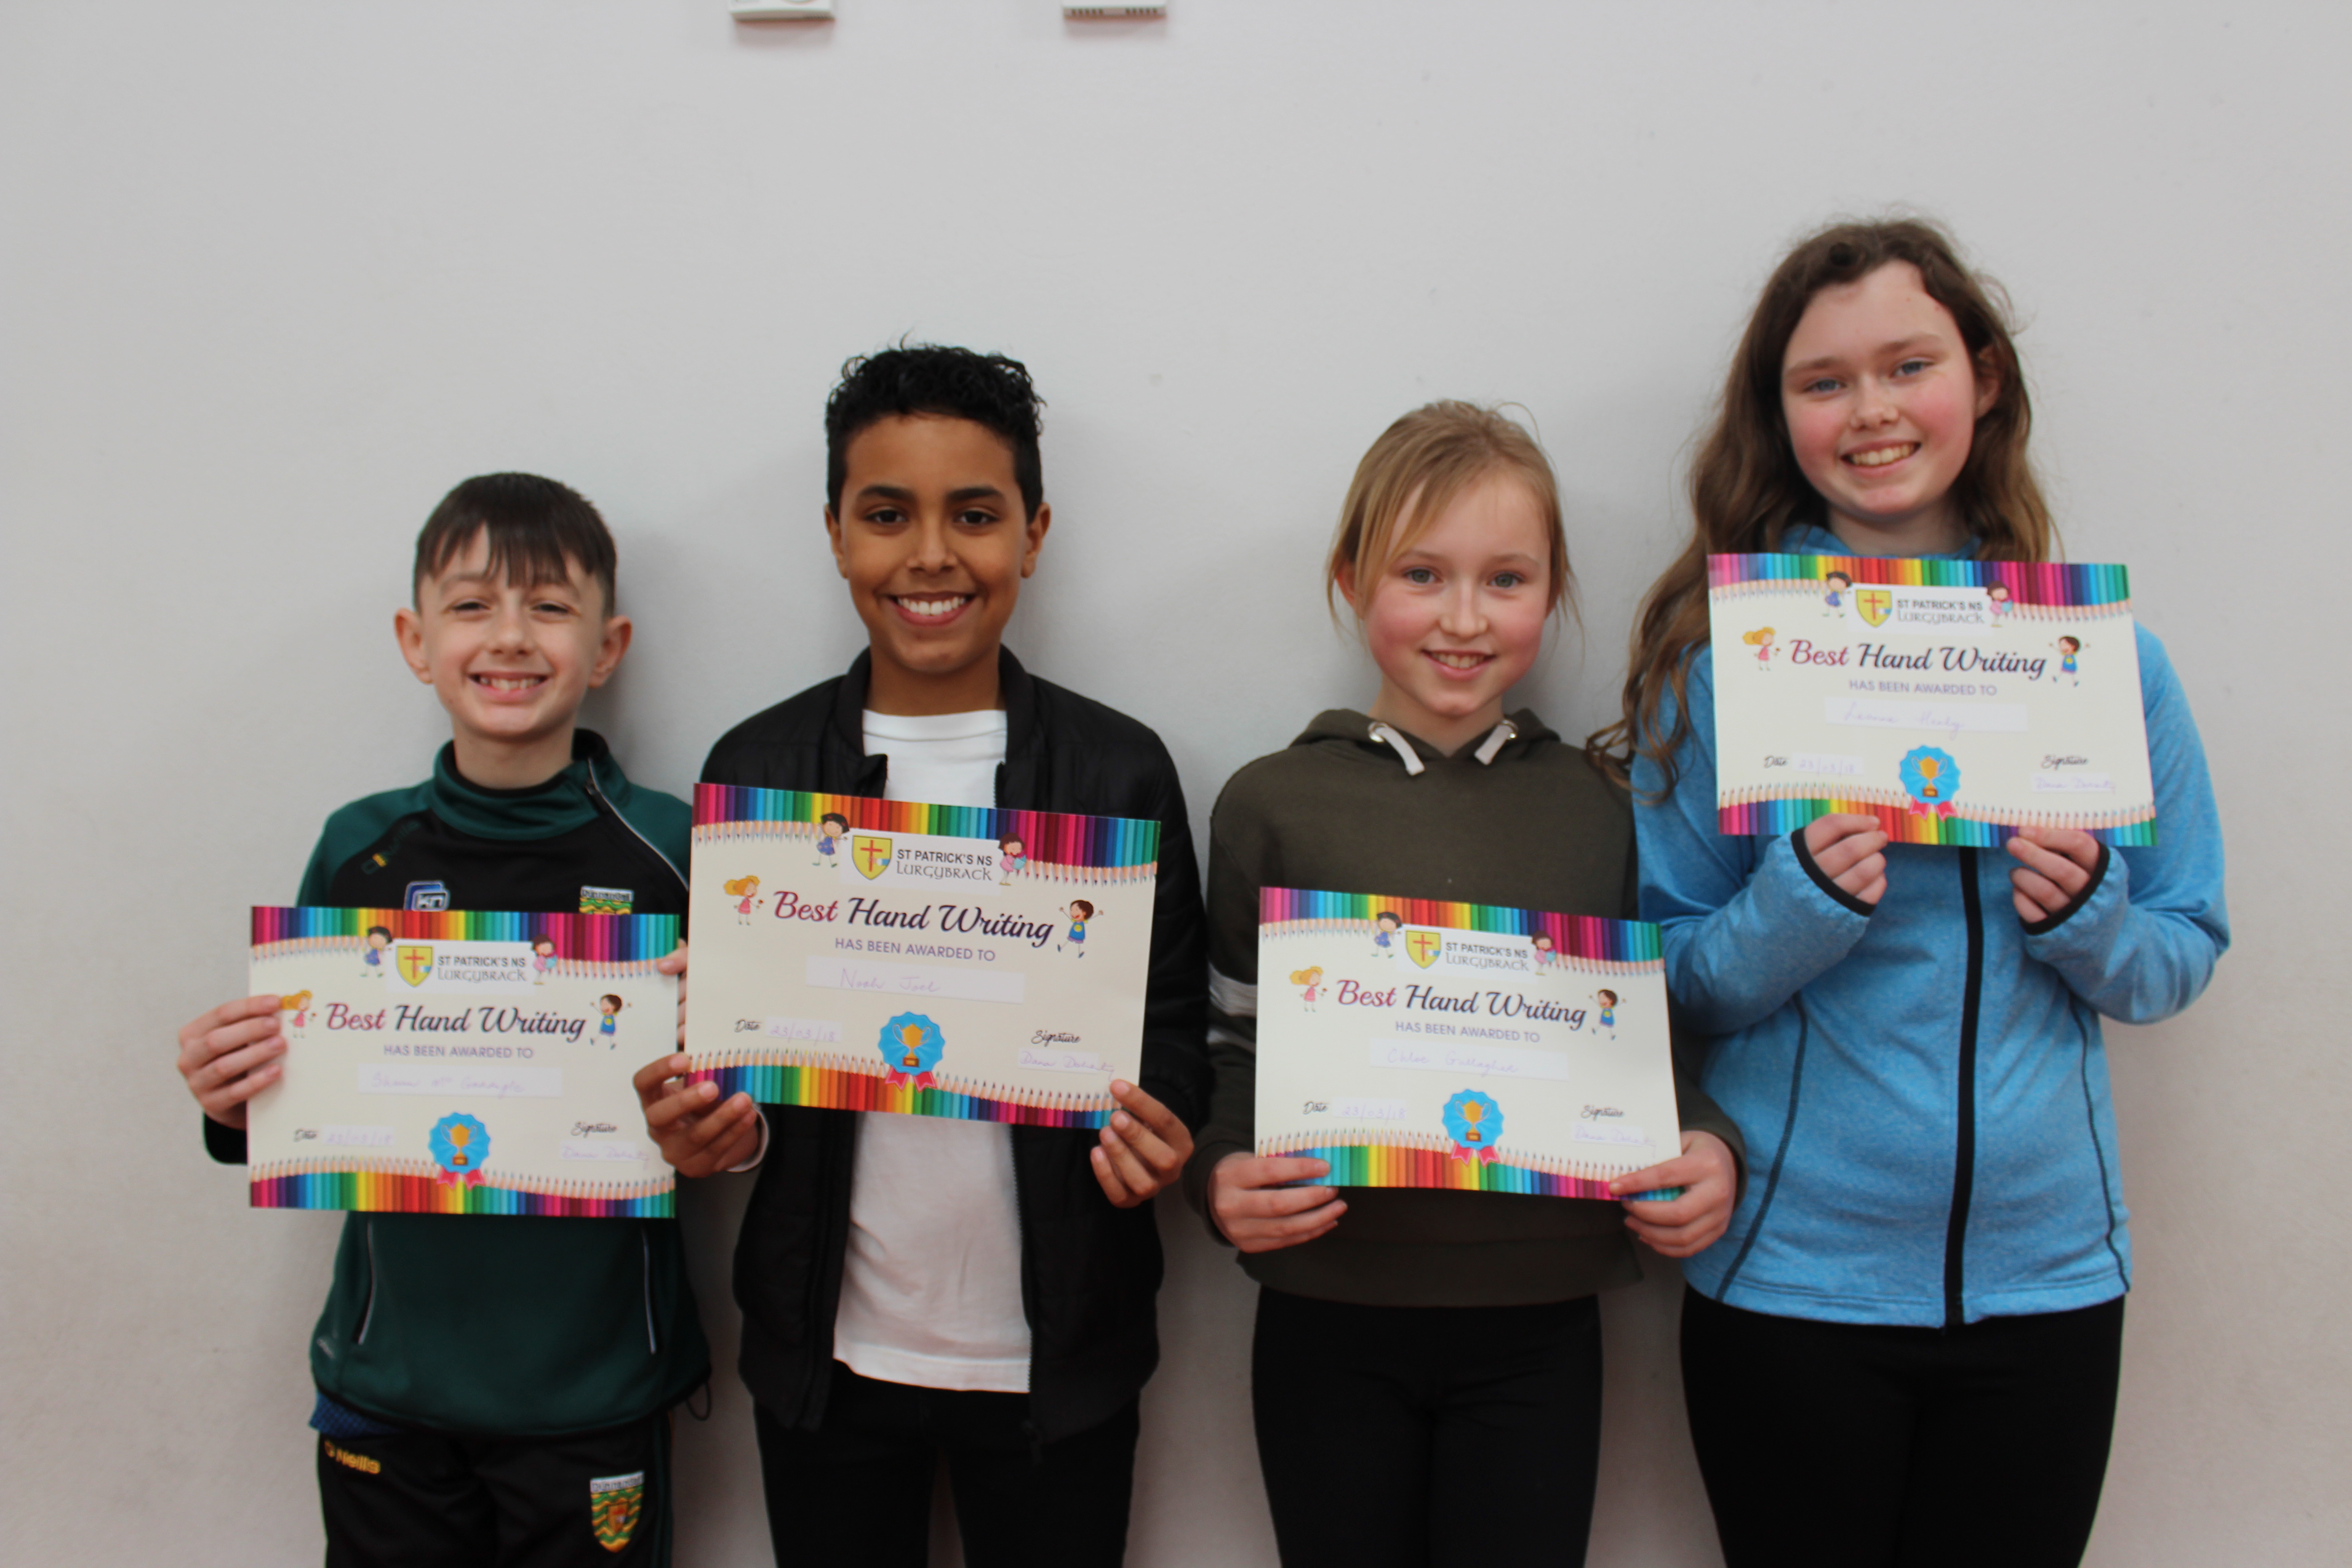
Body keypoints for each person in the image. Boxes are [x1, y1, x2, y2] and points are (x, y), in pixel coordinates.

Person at [1599, 219, 2229, 1567]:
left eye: (1909, 365)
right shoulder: (1718, 667)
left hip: (2049, 1285)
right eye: (1824, 381)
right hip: (1790, 1284)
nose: (1872, 411)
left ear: (1983, 379)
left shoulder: (2105, 664)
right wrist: (1795, 910)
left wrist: (2093, 920)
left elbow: (2182, 948)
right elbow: (1665, 977)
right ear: (1780, 416)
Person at [632, 344, 1208, 1568]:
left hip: (1062, 1359)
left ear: (1034, 534)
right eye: (888, 515)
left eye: (976, 515)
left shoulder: (1119, 774)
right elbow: (731, 1053)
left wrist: (1165, 1129)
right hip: (826, 1358)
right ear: (836, 534)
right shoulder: (759, 773)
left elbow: (1169, 1034)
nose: (932, 555)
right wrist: (707, 1122)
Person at [1184, 402, 1745, 1568]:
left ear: (1553, 592)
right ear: (1352, 579)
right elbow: (1232, 1047)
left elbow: (1645, 1049)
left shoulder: (1605, 806)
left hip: (1540, 1327)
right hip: (1326, 1313)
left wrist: (1707, 1144)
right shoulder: (1271, 804)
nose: (1463, 618)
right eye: (1422, 574)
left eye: (1506, 580)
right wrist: (1217, 1175)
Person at [173, 473, 709, 1567]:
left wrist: (724, 1072)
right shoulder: (359, 850)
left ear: (607, 648)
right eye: (471, 605)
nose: (509, 636)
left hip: (595, 1387)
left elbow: (735, 1121)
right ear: (416, 642)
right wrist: (229, 1097)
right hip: (392, 1383)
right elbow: (291, 1106)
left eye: (549, 606)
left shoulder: (674, 849)